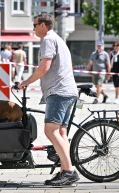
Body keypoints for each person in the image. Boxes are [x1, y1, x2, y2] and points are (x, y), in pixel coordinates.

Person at [18, 13, 79, 186]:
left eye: (35, 25)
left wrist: (25, 82)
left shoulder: (48, 40)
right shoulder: (58, 39)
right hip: (68, 91)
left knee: (50, 131)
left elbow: (44, 67)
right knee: (61, 133)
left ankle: (68, 171)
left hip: (59, 92)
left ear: (43, 25)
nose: (34, 28)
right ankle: (64, 172)